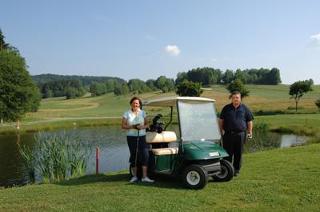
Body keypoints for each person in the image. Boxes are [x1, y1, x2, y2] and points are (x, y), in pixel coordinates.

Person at [219, 91, 254, 176]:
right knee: (228, 153)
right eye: (234, 97)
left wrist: (250, 131)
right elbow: (221, 121)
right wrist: (221, 131)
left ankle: (236, 170)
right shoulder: (226, 108)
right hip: (228, 134)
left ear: (240, 98)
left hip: (240, 135)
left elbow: (249, 121)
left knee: (238, 153)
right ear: (232, 98)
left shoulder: (244, 108)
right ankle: (227, 170)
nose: (235, 99)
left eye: (237, 97)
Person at [122, 96, 154, 183]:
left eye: (137, 103)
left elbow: (147, 124)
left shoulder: (143, 113)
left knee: (145, 155)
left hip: (142, 137)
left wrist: (142, 127)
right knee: (134, 156)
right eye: (133, 103)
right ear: (131, 104)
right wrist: (133, 126)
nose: (135, 104)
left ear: (139, 104)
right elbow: (123, 126)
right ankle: (135, 176)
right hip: (131, 137)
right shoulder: (127, 113)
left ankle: (144, 177)